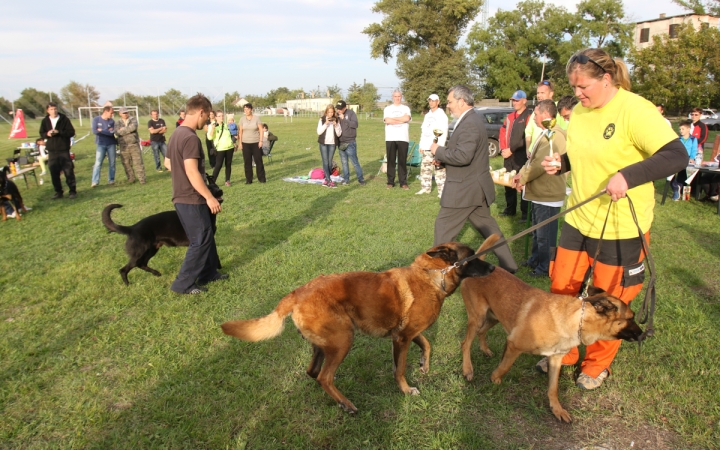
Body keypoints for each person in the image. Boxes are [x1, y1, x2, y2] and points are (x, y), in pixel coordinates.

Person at [539, 48, 687, 390]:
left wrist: (628, 176)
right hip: (579, 218)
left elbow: (675, 154)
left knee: (609, 303)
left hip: (621, 227)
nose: (577, 94)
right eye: (573, 87)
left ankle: (596, 364)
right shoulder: (578, 111)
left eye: (583, 87)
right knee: (563, 290)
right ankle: (567, 353)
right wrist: (561, 163)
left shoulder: (636, 110)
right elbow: (583, 152)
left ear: (606, 79)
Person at [430, 85, 518, 273]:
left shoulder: (470, 123)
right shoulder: (470, 119)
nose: (448, 106)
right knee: (490, 229)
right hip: (474, 187)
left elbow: (463, 156)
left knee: (443, 228)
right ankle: (509, 266)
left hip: (465, 190)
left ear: (462, 101)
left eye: (450, 102)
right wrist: (444, 161)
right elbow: (468, 156)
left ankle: (436, 271)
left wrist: (438, 150)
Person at [163, 94, 227, 295]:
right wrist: (208, 196)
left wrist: (183, 176)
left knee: (206, 235)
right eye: (207, 117)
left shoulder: (176, 134)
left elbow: (167, 163)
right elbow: (191, 171)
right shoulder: (190, 137)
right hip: (192, 197)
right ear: (201, 112)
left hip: (181, 196)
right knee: (200, 238)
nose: (207, 121)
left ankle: (207, 273)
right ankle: (183, 284)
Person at [512, 100, 567, 277]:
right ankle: (535, 260)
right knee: (538, 232)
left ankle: (545, 267)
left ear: (545, 115)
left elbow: (539, 166)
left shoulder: (554, 135)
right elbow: (532, 161)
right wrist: (521, 174)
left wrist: (523, 179)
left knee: (546, 235)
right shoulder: (546, 134)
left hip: (548, 194)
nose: (533, 117)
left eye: (535, 114)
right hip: (540, 193)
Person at [499, 90, 532, 221]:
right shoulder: (509, 116)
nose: (514, 103)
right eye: (513, 100)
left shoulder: (529, 116)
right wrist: (503, 149)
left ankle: (525, 214)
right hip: (508, 155)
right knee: (508, 182)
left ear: (525, 100)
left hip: (521, 155)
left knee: (522, 183)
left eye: (517, 100)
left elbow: (527, 138)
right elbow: (502, 132)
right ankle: (510, 209)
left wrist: (512, 149)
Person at [39, 102, 76, 199]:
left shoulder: (64, 119)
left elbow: (71, 132)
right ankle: (58, 192)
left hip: (63, 149)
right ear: (48, 111)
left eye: (55, 109)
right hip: (52, 151)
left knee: (68, 171)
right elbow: (41, 133)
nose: (54, 111)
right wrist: (47, 134)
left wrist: (59, 132)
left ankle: (72, 191)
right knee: (54, 172)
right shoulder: (45, 121)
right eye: (51, 109)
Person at [416, 94, 448, 198]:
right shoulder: (427, 115)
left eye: (433, 101)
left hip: (436, 146)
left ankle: (442, 191)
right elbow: (423, 131)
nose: (431, 102)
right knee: (425, 168)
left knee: (439, 168)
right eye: (430, 100)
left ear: (438, 102)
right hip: (426, 146)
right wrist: (421, 144)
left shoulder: (442, 115)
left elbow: (443, 132)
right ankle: (425, 188)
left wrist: (439, 147)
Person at [524, 81, 565, 153]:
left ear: (551, 94)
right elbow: (528, 131)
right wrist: (528, 149)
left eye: (542, 93)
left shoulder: (558, 108)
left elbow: (564, 131)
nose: (539, 96)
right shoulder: (536, 110)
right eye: (538, 93)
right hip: (534, 152)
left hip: (551, 152)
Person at [383, 90, 412, 189]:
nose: (397, 98)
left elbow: (407, 119)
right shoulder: (388, 109)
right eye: (395, 96)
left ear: (401, 97)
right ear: (392, 97)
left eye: (399, 96)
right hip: (390, 137)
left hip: (403, 137)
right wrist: (401, 119)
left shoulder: (406, 108)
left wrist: (394, 119)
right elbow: (387, 120)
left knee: (402, 160)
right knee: (391, 160)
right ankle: (390, 181)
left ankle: (403, 182)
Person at [336, 100, 365, 186]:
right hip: (341, 142)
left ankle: (361, 179)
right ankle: (346, 179)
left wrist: (344, 119)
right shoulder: (337, 115)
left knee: (355, 162)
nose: (339, 110)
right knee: (344, 162)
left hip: (350, 142)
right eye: (338, 109)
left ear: (345, 108)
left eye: (340, 109)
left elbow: (355, 125)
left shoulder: (351, 113)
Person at [115, 107, 146, 184]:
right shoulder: (117, 122)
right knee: (126, 163)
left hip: (134, 144)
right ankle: (131, 178)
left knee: (138, 163)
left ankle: (142, 179)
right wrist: (126, 130)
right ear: (120, 114)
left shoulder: (133, 119)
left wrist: (123, 129)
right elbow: (117, 132)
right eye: (123, 113)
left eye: (126, 112)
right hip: (123, 146)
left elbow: (133, 128)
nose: (125, 114)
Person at [316, 104, 343, 188]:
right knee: (325, 161)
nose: (330, 114)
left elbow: (339, 134)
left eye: (332, 112)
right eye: (329, 112)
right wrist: (326, 124)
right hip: (323, 143)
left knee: (329, 161)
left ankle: (326, 180)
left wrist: (336, 125)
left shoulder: (337, 120)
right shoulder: (322, 119)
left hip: (332, 144)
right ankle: (328, 180)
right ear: (326, 112)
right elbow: (319, 132)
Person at [238, 103, 265, 184]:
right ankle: (249, 179)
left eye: (247, 109)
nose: (246, 111)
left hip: (255, 142)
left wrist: (261, 141)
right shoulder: (242, 119)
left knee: (258, 160)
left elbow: (261, 130)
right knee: (247, 162)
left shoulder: (257, 118)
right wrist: (240, 143)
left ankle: (262, 178)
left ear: (251, 109)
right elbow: (240, 131)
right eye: (244, 109)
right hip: (245, 143)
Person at [91, 105, 117, 188]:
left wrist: (101, 130)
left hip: (111, 143)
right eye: (111, 112)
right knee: (98, 163)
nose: (112, 114)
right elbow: (95, 131)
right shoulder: (96, 119)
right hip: (101, 144)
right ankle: (95, 181)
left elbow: (112, 133)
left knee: (112, 163)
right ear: (105, 111)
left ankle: (111, 180)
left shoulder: (112, 121)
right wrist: (107, 131)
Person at [671, 120, 697, 201]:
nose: (681, 131)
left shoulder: (693, 139)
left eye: (683, 129)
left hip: (688, 160)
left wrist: (692, 158)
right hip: (678, 159)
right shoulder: (678, 139)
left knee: (687, 178)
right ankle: (676, 189)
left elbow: (694, 150)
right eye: (680, 129)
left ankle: (685, 196)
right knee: (670, 176)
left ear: (688, 129)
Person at [208, 110, 235, 187]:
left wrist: (234, 143)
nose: (221, 117)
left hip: (229, 147)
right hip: (220, 149)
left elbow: (229, 135)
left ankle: (227, 180)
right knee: (218, 165)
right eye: (219, 116)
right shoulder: (212, 125)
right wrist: (213, 129)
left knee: (228, 164)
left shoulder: (226, 125)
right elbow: (210, 137)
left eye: (222, 116)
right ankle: (212, 181)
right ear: (216, 117)